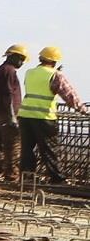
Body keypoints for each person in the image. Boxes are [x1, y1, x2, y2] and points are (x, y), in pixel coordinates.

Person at [19, 46, 86, 186]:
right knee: (49, 150)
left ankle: (27, 177)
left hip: (25, 115)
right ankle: (57, 178)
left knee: (27, 148)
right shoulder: (55, 75)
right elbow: (69, 95)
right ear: (55, 61)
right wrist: (83, 110)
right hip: (44, 117)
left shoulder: (30, 72)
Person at [0, 45, 28, 183]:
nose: (22, 62)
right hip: (6, 113)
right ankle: (11, 176)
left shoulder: (0, 70)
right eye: (21, 59)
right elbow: (8, 95)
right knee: (12, 146)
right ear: (13, 56)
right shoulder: (9, 71)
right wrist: (12, 116)